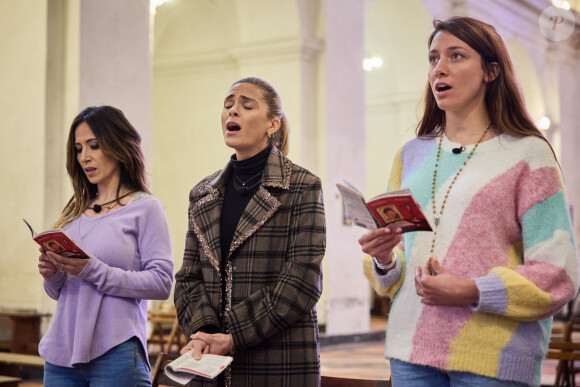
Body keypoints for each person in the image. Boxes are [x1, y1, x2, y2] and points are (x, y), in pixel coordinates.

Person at [358, 16, 578, 387]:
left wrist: (472, 290)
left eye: (456, 56)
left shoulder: (528, 156)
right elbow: (397, 272)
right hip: (410, 349)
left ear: (491, 70)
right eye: (433, 59)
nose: (439, 69)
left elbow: (557, 274)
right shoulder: (410, 155)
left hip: (493, 356)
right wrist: (382, 258)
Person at [174, 77, 326, 386]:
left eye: (246, 105)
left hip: (278, 360)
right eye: (228, 105)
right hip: (210, 365)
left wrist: (231, 335)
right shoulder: (202, 193)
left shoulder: (301, 186)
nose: (232, 112)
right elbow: (189, 278)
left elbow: (302, 282)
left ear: (273, 123)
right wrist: (204, 332)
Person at [37, 106, 174, 387]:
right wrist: (52, 274)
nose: (84, 157)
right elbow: (59, 293)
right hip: (61, 357)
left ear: (118, 145)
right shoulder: (73, 215)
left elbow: (161, 282)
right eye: (78, 149)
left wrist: (93, 270)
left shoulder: (145, 208)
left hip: (117, 351)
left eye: (94, 145)